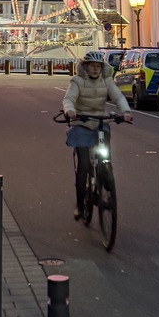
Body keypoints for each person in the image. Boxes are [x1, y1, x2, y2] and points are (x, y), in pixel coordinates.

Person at [62, 49, 132, 221]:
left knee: (105, 155)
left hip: (100, 121)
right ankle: (80, 205)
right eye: (92, 66)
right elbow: (69, 98)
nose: (95, 69)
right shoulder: (77, 81)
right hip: (82, 122)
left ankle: (105, 174)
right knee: (84, 165)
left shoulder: (107, 81)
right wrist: (70, 111)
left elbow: (118, 97)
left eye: (98, 66)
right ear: (85, 67)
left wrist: (125, 111)